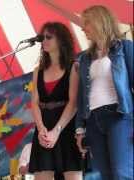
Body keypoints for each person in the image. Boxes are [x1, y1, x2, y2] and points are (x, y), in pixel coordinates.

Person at [75, 5, 133, 179]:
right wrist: (80, 130)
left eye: (86, 23)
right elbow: (80, 97)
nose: (82, 28)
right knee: (106, 174)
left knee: (121, 172)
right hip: (93, 120)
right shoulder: (84, 58)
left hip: (119, 115)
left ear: (100, 22)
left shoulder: (124, 47)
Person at [28, 22, 82, 180]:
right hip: (44, 129)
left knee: (73, 174)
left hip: (66, 127)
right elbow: (35, 103)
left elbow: (73, 103)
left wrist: (56, 131)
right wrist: (41, 129)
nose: (43, 40)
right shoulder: (38, 70)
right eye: (42, 37)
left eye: (48, 37)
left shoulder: (74, 67)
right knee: (42, 175)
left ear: (61, 40)